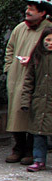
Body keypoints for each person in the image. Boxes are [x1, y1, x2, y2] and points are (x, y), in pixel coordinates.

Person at [4, 0, 52, 165]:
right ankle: (18, 148)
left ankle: (31, 151)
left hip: (37, 78)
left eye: (32, 9)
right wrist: (9, 67)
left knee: (34, 114)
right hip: (16, 77)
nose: (28, 11)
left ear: (42, 12)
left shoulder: (48, 29)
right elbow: (10, 48)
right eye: (28, 8)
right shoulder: (20, 28)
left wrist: (33, 61)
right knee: (15, 113)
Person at [20, 26, 52, 172]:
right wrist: (25, 101)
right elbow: (29, 80)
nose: (50, 43)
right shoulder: (37, 56)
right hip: (39, 100)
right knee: (38, 133)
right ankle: (38, 160)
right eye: (48, 40)